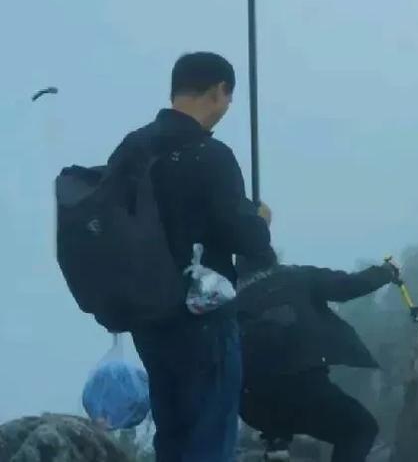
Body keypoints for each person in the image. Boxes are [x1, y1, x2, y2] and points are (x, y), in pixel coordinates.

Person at [107, 52, 274, 462]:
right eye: (228, 98)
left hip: (149, 319)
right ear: (219, 91)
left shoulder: (129, 151)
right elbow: (250, 242)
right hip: (204, 322)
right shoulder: (210, 155)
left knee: (174, 434)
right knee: (209, 435)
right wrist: (260, 220)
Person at [234, 255, 400, 461]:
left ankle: (277, 442)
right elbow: (348, 285)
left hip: (251, 403)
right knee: (359, 428)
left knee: (282, 421)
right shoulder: (297, 276)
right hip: (302, 385)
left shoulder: (231, 296)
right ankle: (278, 441)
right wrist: (386, 271)